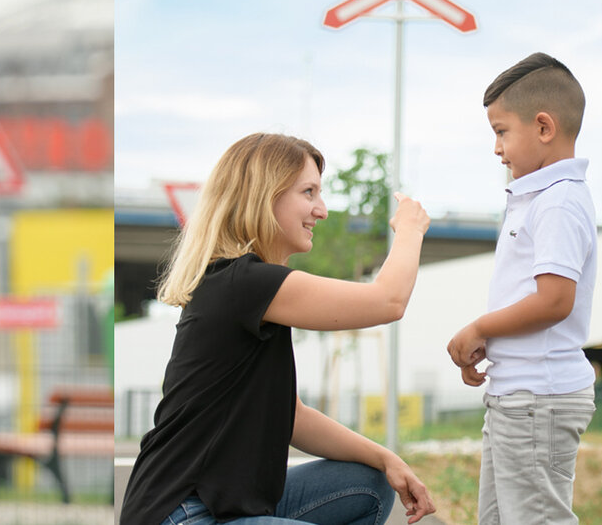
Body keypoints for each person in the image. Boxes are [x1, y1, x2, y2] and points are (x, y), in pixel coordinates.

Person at [120, 133, 439, 525]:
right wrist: (410, 230)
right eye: (308, 192)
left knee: (369, 482)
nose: (322, 210)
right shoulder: (244, 282)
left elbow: (293, 417)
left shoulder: (249, 286)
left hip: (225, 506)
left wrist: (387, 459)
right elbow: (388, 301)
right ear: (263, 196)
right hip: (181, 513)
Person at [446, 52, 599, 524]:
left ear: (544, 127)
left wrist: (480, 328)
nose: (497, 148)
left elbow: (554, 301)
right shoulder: (538, 198)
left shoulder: (558, 202)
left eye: (501, 131)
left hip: (538, 400)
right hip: (519, 396)